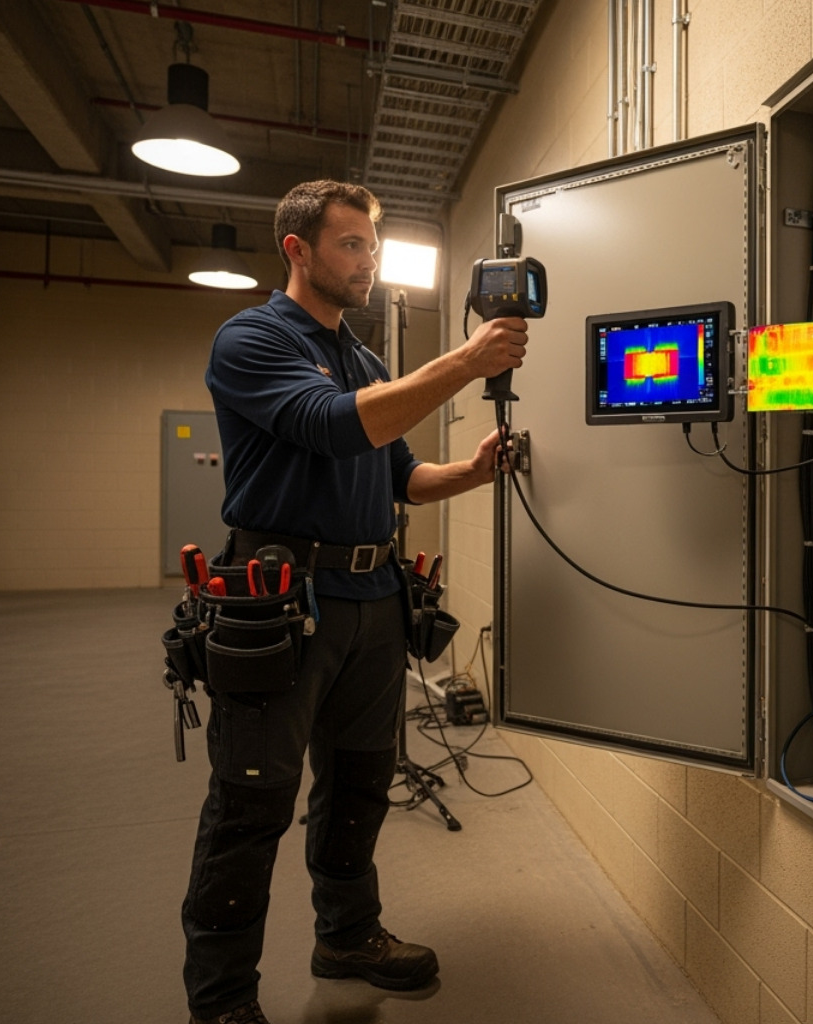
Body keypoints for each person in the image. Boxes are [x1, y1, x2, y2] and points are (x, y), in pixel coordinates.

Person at [182, 180, 528, 1024]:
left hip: (374, 597)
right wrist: (465, 361)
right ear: (298, 250)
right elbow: (339, 427)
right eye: (351, 245)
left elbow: (398, 472)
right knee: (252, 798)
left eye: (371, 246)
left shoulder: (365, 359)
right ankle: (222, 1000)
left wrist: (471, 472)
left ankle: (346, 933)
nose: (367, 261)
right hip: (282, 599)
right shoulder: (250, 339)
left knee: (362, 782)